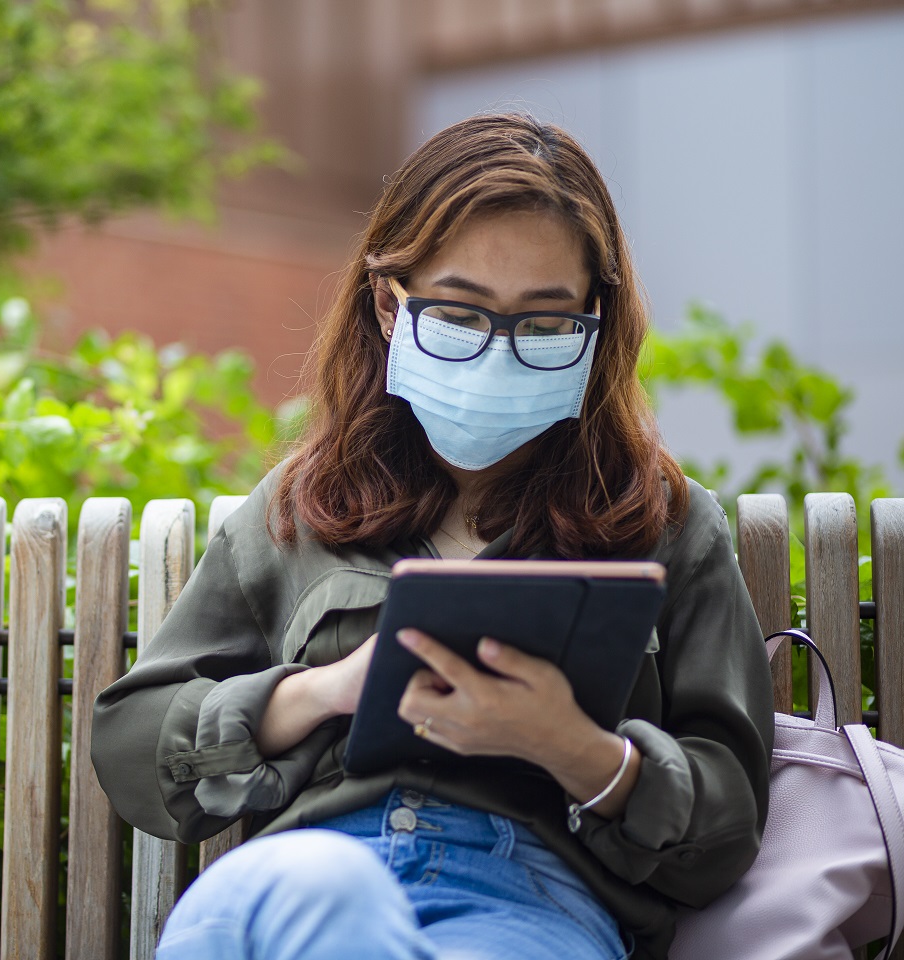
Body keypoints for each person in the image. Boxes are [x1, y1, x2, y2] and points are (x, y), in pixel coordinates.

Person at [90, 113, 774, 960]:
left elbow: (725, 830)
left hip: (528, 905)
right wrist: (325, 691)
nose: (499, 351)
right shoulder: (300, 507)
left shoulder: (666, 526)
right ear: (389, 303)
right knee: (323, 893)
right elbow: (130, 742)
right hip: (299, 882)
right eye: (461, 312)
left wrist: (578, 751)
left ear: (596, 325)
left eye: (545, 322)